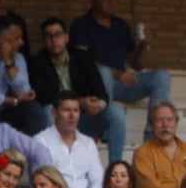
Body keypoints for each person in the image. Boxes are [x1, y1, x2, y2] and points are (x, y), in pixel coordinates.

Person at [67, 0, 171, 134]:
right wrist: (116, 73)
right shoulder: (81, 24)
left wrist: (143, 47)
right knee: (104, 73)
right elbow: (83, 60)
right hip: (95, 85)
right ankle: (103, 126)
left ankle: (152, 133)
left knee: (161, 76)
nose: (112, 2)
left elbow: (136, 64)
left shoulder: (121, 25)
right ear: (91, 0)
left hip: (122, 84)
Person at [29, 20, 124, 166]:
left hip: (84, 119)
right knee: (48, 110)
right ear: (44, 40)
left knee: (116, 111)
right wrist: (80, 102)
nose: (54, 40)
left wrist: (98, 105)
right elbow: (43, 96)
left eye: (58, 34)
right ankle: (51, 169)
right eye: (49, 36)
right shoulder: (37, 62)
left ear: (66, 37)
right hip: (58, 121)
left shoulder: (82, 57)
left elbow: (101, 92)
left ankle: (116, 168)